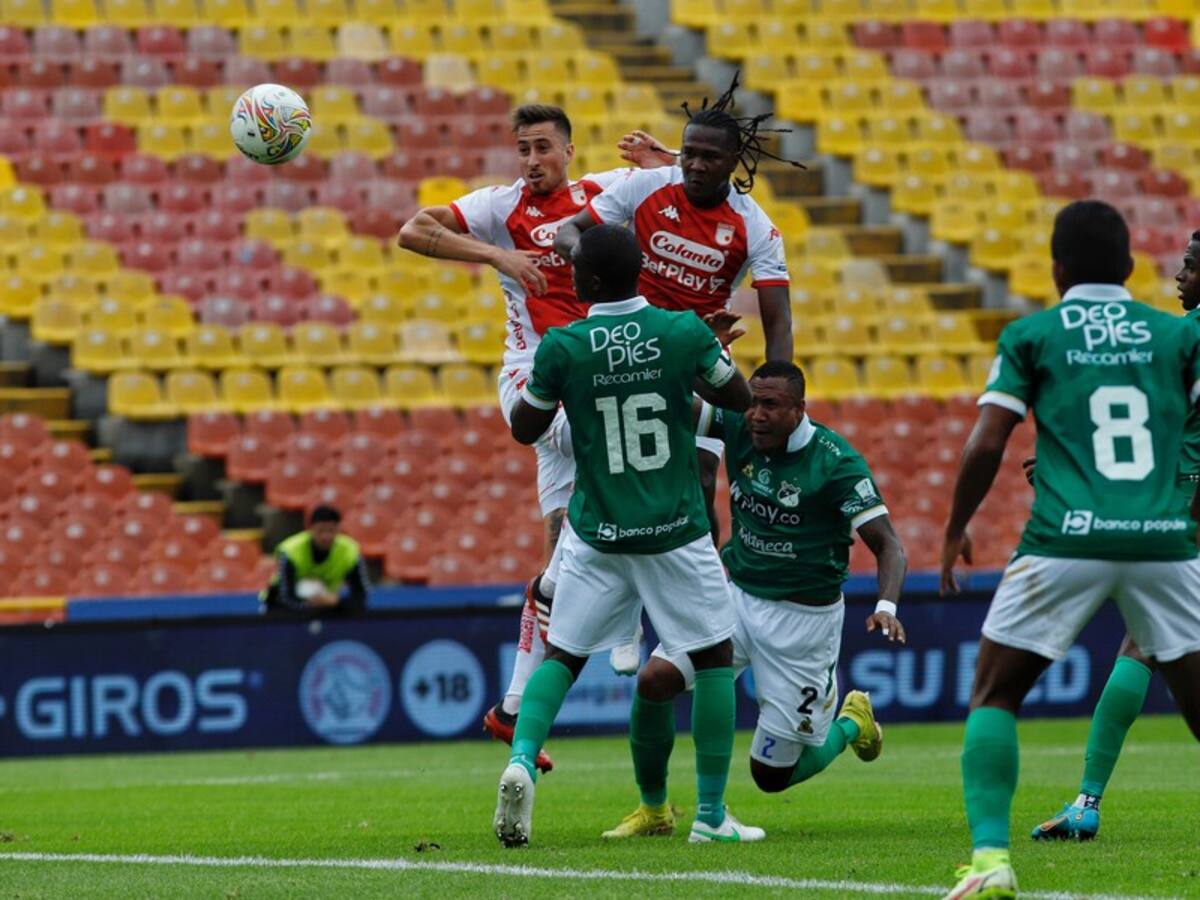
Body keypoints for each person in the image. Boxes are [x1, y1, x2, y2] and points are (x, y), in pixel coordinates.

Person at [939, 201, 1200, 899]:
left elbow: (988, 442)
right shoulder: (1175, 338)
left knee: (995, 693)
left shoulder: (1032, 333)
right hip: (1166, 537)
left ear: (1055, 269)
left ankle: (992, 860)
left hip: (1066, 537)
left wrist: (954, 527)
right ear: (1131, 266)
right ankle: (1081, 800)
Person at [398, 105, 662, 771]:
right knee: (628, 490)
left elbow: (694, 185)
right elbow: (412, 229)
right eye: (523, 148)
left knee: (558, 561)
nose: (531, 159)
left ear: (570, 150)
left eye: (543, 147)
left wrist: (663, 162)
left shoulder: (607, 192)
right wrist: (497, 255)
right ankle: (627, 615)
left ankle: (514, 709)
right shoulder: (499, 206)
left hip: (596, 370)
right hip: (535, 377)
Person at [493, 224, 755, 847]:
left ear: (584, 281)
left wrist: (563, 388)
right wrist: (691, 364)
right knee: (715, 657)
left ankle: (523, 760)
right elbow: (740, 397)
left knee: (563, 654)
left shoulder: (563, 345)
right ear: (639, 273)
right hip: (673, 528)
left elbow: (525, 428)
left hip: (597, 530)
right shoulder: (682, 331)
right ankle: (712, 816)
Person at [602, 360, 909, 840]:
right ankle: (654, 809)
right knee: (655, 679)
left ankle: (851, 722)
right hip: (736, 600)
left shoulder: (836, 463)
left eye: (770, 405)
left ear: (798, 410)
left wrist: (886, 606)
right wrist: (684, 352)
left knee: (770, 776)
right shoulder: (738, 424)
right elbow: (673, 403)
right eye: (753, 403)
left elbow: (889, 545)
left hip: (803, 626)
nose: (757, 415)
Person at [555, 75, 797, 549]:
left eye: (710, 157)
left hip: (696, 354)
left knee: (704, 480)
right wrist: (602, 271)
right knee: (609, 469)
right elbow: (568, 233)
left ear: (733, 162)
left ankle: (709, 584)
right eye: (689, 153)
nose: (696, 165)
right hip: (627, 345)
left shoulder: (755, 227)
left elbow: (779, 321)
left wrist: (780, 387)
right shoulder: (644, 186)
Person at [1028, 230, 1200, 842]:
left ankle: (1086, 802)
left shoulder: (1185, 337)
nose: (1179, 276)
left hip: (1184, 509)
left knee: (1142, 648)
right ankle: (1086, 802)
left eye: (1189, 266)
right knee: (1143, 646)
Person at [262, 505, 369, 613]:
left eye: (331, 530)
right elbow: (286, 597)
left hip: (329, 605)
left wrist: (336, 602)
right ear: (310, 529)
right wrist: (311, 605)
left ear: (339, 529)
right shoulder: (290, 550)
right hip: (287, 606)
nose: (326, 536)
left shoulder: (350, 551)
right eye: (321, 531)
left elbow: (361, 595)